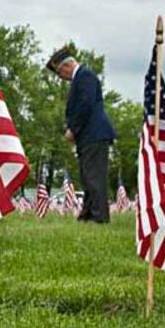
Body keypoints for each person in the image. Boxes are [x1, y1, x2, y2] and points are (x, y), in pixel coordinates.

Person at [47, 47, 115, 223]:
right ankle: (88, 213)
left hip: (94, 134)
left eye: (60, 72)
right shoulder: (82, 77)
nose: (61, 77)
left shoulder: (85, 76)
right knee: (88, 176)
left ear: (67, 65)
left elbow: (85, 105)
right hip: (89, 136)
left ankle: (99, 216)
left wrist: (73, 128)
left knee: (94, 176)